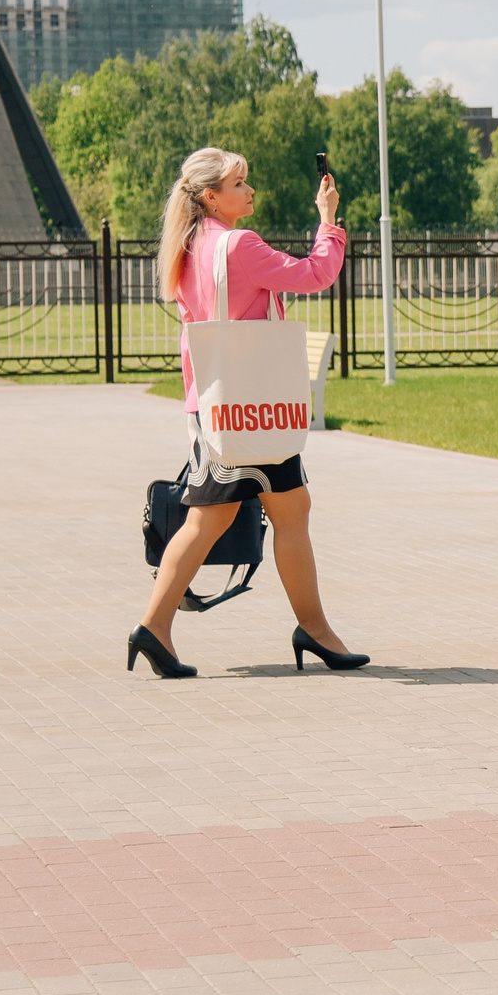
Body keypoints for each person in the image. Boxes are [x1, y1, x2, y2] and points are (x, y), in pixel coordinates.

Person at [127, 147, 358, 680]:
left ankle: (159, 628)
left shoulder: (189, 248)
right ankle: (308, 629)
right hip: (254, 410)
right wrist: (328, 222)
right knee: (251, 515)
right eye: (238, 184)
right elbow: (315, 274)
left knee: (245, 514)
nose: (249, 190)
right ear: (211, 197)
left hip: (215, 406)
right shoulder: (238, 245)